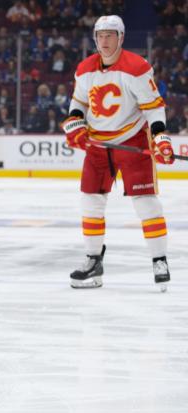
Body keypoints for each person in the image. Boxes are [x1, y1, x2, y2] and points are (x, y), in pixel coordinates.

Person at [60, 15, 174, 291]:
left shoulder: (136, 68)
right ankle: (93, 261)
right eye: (100, 36)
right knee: (90, 202)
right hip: (97, 146)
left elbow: (154, 107)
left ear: (121, 38)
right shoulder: (85, 69)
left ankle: (159, 260)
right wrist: (75, 124)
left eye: (110, 35)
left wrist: (159, 137)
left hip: (132, 142)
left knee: (146, 202)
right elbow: (79, 103)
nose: (104, 41)